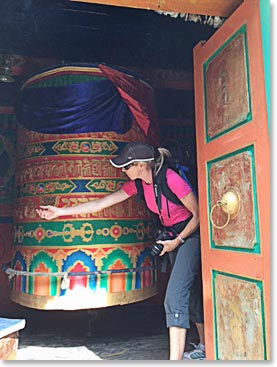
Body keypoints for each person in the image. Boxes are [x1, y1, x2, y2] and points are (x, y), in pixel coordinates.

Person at [36, 141, 205, 360]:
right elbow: (102, 203)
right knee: (188, 294)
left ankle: (175, 360)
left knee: (174, 297)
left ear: (141, 166)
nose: (123, 171)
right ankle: (204, 345)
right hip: (172, 237)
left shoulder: (171, 178)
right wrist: (60, 212)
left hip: (190, 235)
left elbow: (198, 214)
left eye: (126, 167)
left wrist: (178, 241)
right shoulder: (139, 185)